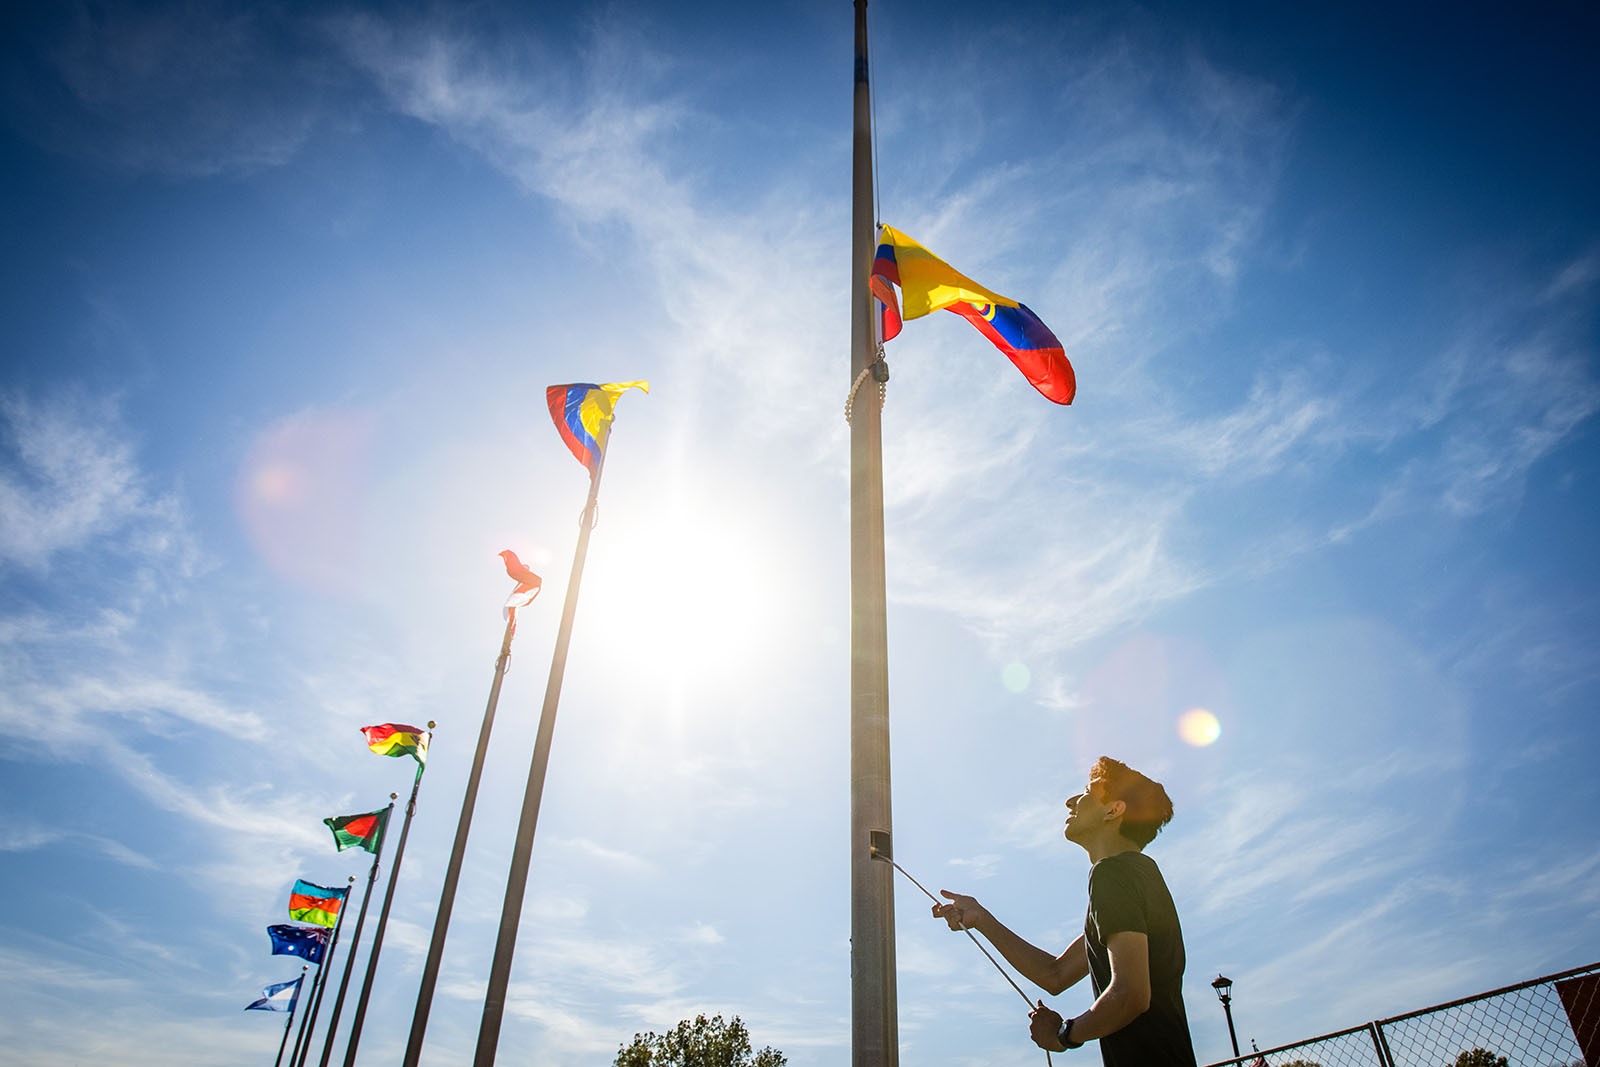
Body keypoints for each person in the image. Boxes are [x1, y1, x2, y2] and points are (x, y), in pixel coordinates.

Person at [932, 756, 1196, 1066]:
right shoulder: (1138, 875)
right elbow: (1055, 975)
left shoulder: (1113, 874)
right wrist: (981, 919)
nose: (1071, 800)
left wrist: (1064, 1034)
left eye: (1087, 791)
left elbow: (1132, 994)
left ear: (1114, 810)